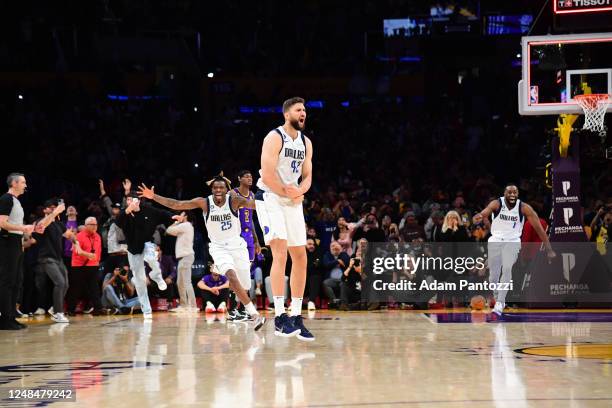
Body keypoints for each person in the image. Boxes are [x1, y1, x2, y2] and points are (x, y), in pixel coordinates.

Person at [138, 172, 265, 330]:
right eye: (215, 187)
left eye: (221, 187)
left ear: (227, 190)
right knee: (232, 276)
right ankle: (254, 315)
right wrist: (153, 196)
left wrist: (279, 198)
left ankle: (226, 277)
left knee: (245, 283)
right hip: (219, 247)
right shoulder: (204, 203)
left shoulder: (235, 201)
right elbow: (177, 204)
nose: (218, 189)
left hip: (237, 246)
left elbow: (256, 205)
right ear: (212, 190)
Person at [255, 96, 315, 341]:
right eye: (299, 110)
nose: (303, 113)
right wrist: (289, 192)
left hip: (291, 199)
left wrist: (299, 191)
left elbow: (308, 176)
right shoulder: (274, 137)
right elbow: (268, 175)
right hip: (270, 197)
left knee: (300, 255)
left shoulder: (306, 142)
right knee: (279, 251)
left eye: (305, 111)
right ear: (286, 114)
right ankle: (280, 317)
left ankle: (296, 317)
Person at [473, 184, 556, 317]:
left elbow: (540, 230)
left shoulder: (524, 208)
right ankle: (496, 295)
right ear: (504, 194)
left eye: (515, 192)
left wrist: (549, 249)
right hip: (496, 240)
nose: (512, 194)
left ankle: (500, 302)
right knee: (493, 276)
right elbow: (485, 212)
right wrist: (479, 216)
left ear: (518, 194)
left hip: (512, 241)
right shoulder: (496, 203)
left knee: (506, 269)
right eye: (509, 192)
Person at [114, 190, 178, 319]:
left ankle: (157, 275)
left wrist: (174, 217)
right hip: (133, 250)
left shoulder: (148, 210)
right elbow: (118, 222)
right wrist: (127, 210)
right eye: (127, 200)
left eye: (131, 200)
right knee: (140, 282)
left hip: (147, 244)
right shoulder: (124, 214)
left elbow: (162, 213)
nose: (129, 202)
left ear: (138, 201)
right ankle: (146, 310)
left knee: (151, 258)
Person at [0, 173, 35, 330]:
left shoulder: (16, 201)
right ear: (13, 183)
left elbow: (16, 226)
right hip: (7, 242)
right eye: (23, 182)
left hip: (16, 242)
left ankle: (11, 316)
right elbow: (2, 223)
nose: (25, 185)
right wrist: (23, 228)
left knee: (15, 281)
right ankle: (5, 319)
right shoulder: (6, 199)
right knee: (7, 281)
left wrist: (28, 230)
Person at [33, 199, 76, 324]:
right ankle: (58, 313)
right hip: (46, 258)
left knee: (66, 284)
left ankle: (54, 307)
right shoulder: (41, 221)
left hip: (58, 258)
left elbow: (70, 235)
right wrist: (55, 212)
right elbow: (41, 226)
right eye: (50, 207)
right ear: (45, 210)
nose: (53, 209)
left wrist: (75, 242)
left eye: (55, 207)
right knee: (60, 283)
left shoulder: (59, 224)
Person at [228, 170, 261, 320]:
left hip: (248, 237)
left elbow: (252, 220)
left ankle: (241, 309)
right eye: (246, 176)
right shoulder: (232, 193)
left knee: (245, 274)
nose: (250, 178)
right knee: (235, 273)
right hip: (236, 235)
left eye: (251, 176)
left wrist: (256, 240)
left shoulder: (253, 196)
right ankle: (232, 310)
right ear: (239, 178)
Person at [68, 216, 105, 315]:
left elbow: (99, 250)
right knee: (76, 288)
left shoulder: (97, 236)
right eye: (92, 225)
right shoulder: (79, 236)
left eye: (96, 224)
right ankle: (71, 310)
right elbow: (76, 250)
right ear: (86, 226)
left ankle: (98, 309)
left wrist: (96, 260)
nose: (94, 226)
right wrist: (89, 255)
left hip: (93, 265)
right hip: (78, 265)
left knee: (94, 288)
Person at [165, 211, 197, 313]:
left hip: (186, 257)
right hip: (183, 258)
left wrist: (176, 222)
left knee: (187, 282)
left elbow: (169, 230)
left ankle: (192, 306)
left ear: (186, 217)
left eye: (181, 215)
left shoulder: (186, 225)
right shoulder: (185, 226)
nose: (179, 216)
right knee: (180, 283)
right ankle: (184, 305)